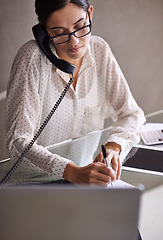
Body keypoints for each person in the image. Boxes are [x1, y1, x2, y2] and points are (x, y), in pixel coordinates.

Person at [5, 0, 145, 186]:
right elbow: (18, 141)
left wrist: (114, 147)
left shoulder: (100, 50)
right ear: (44, 31)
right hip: (33, 183)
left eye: (80, 27)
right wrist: (70, 171)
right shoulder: (31, 58)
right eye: (59, 33)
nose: (74, 42)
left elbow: (132, 114)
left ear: (90, 14)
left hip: (86, 179)